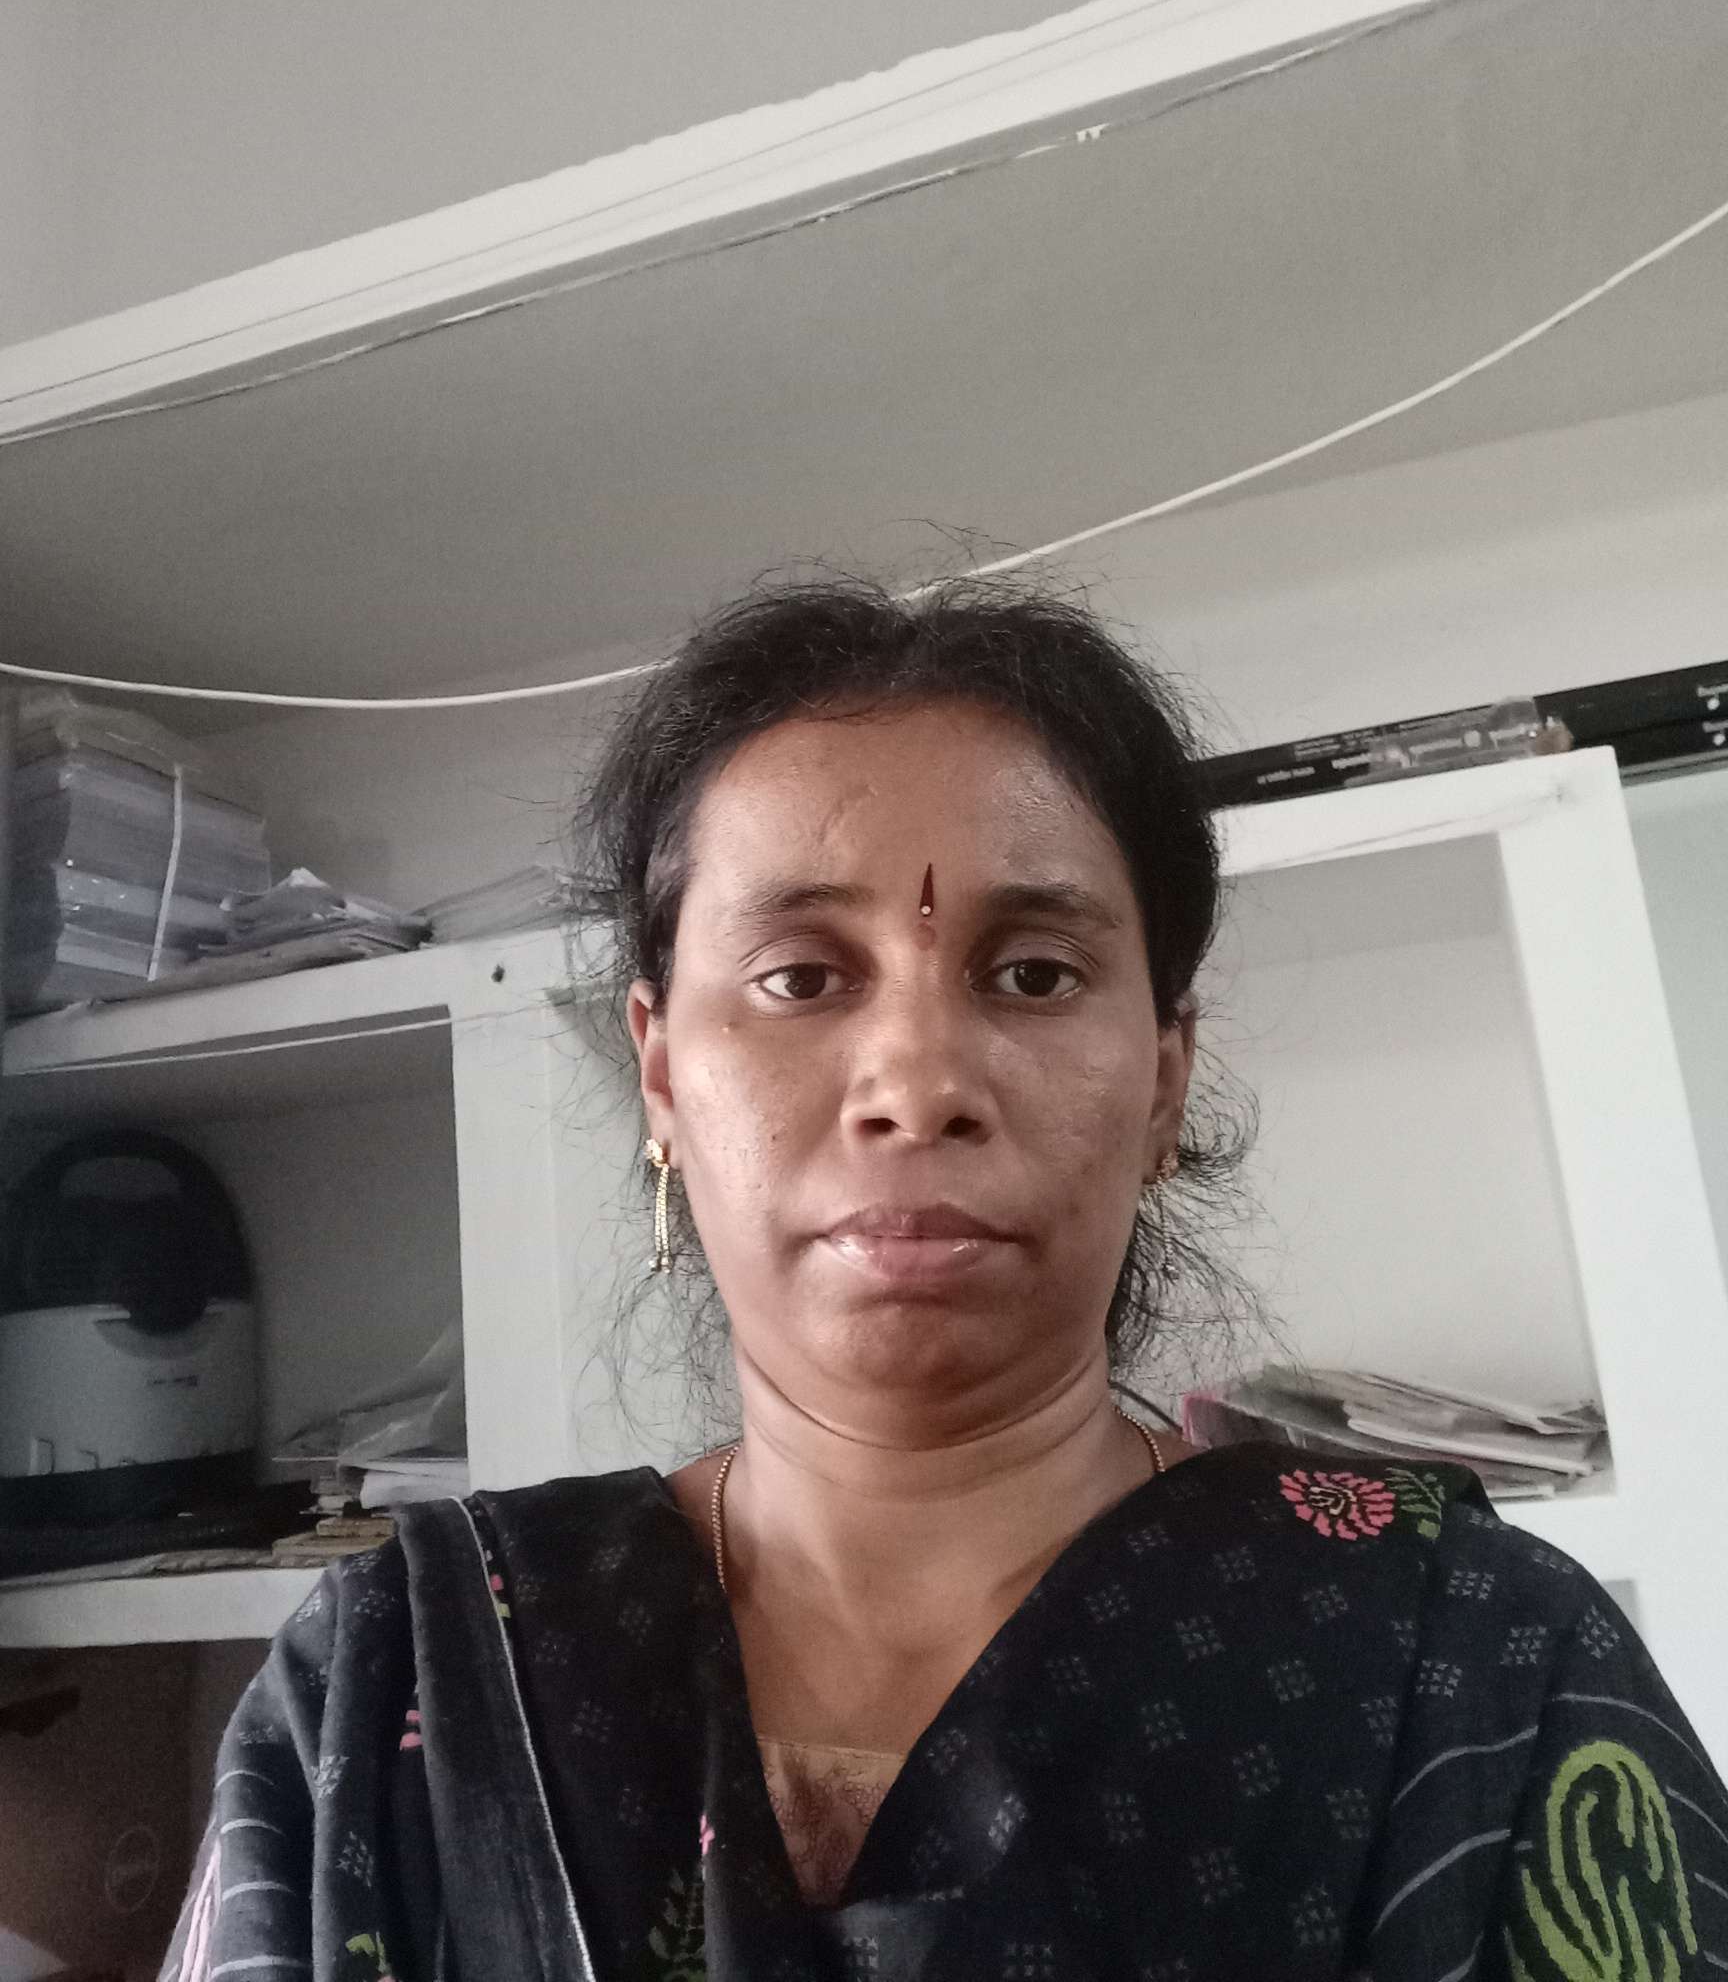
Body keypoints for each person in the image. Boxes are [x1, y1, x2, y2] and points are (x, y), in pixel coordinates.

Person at [167, 578, 1728, 1982]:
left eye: (1033, 974)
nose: (917, 1082)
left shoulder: (1471, 1662)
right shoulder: (393, 1681)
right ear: (660, 1074)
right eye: (800, 978)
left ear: (1165, 1078)